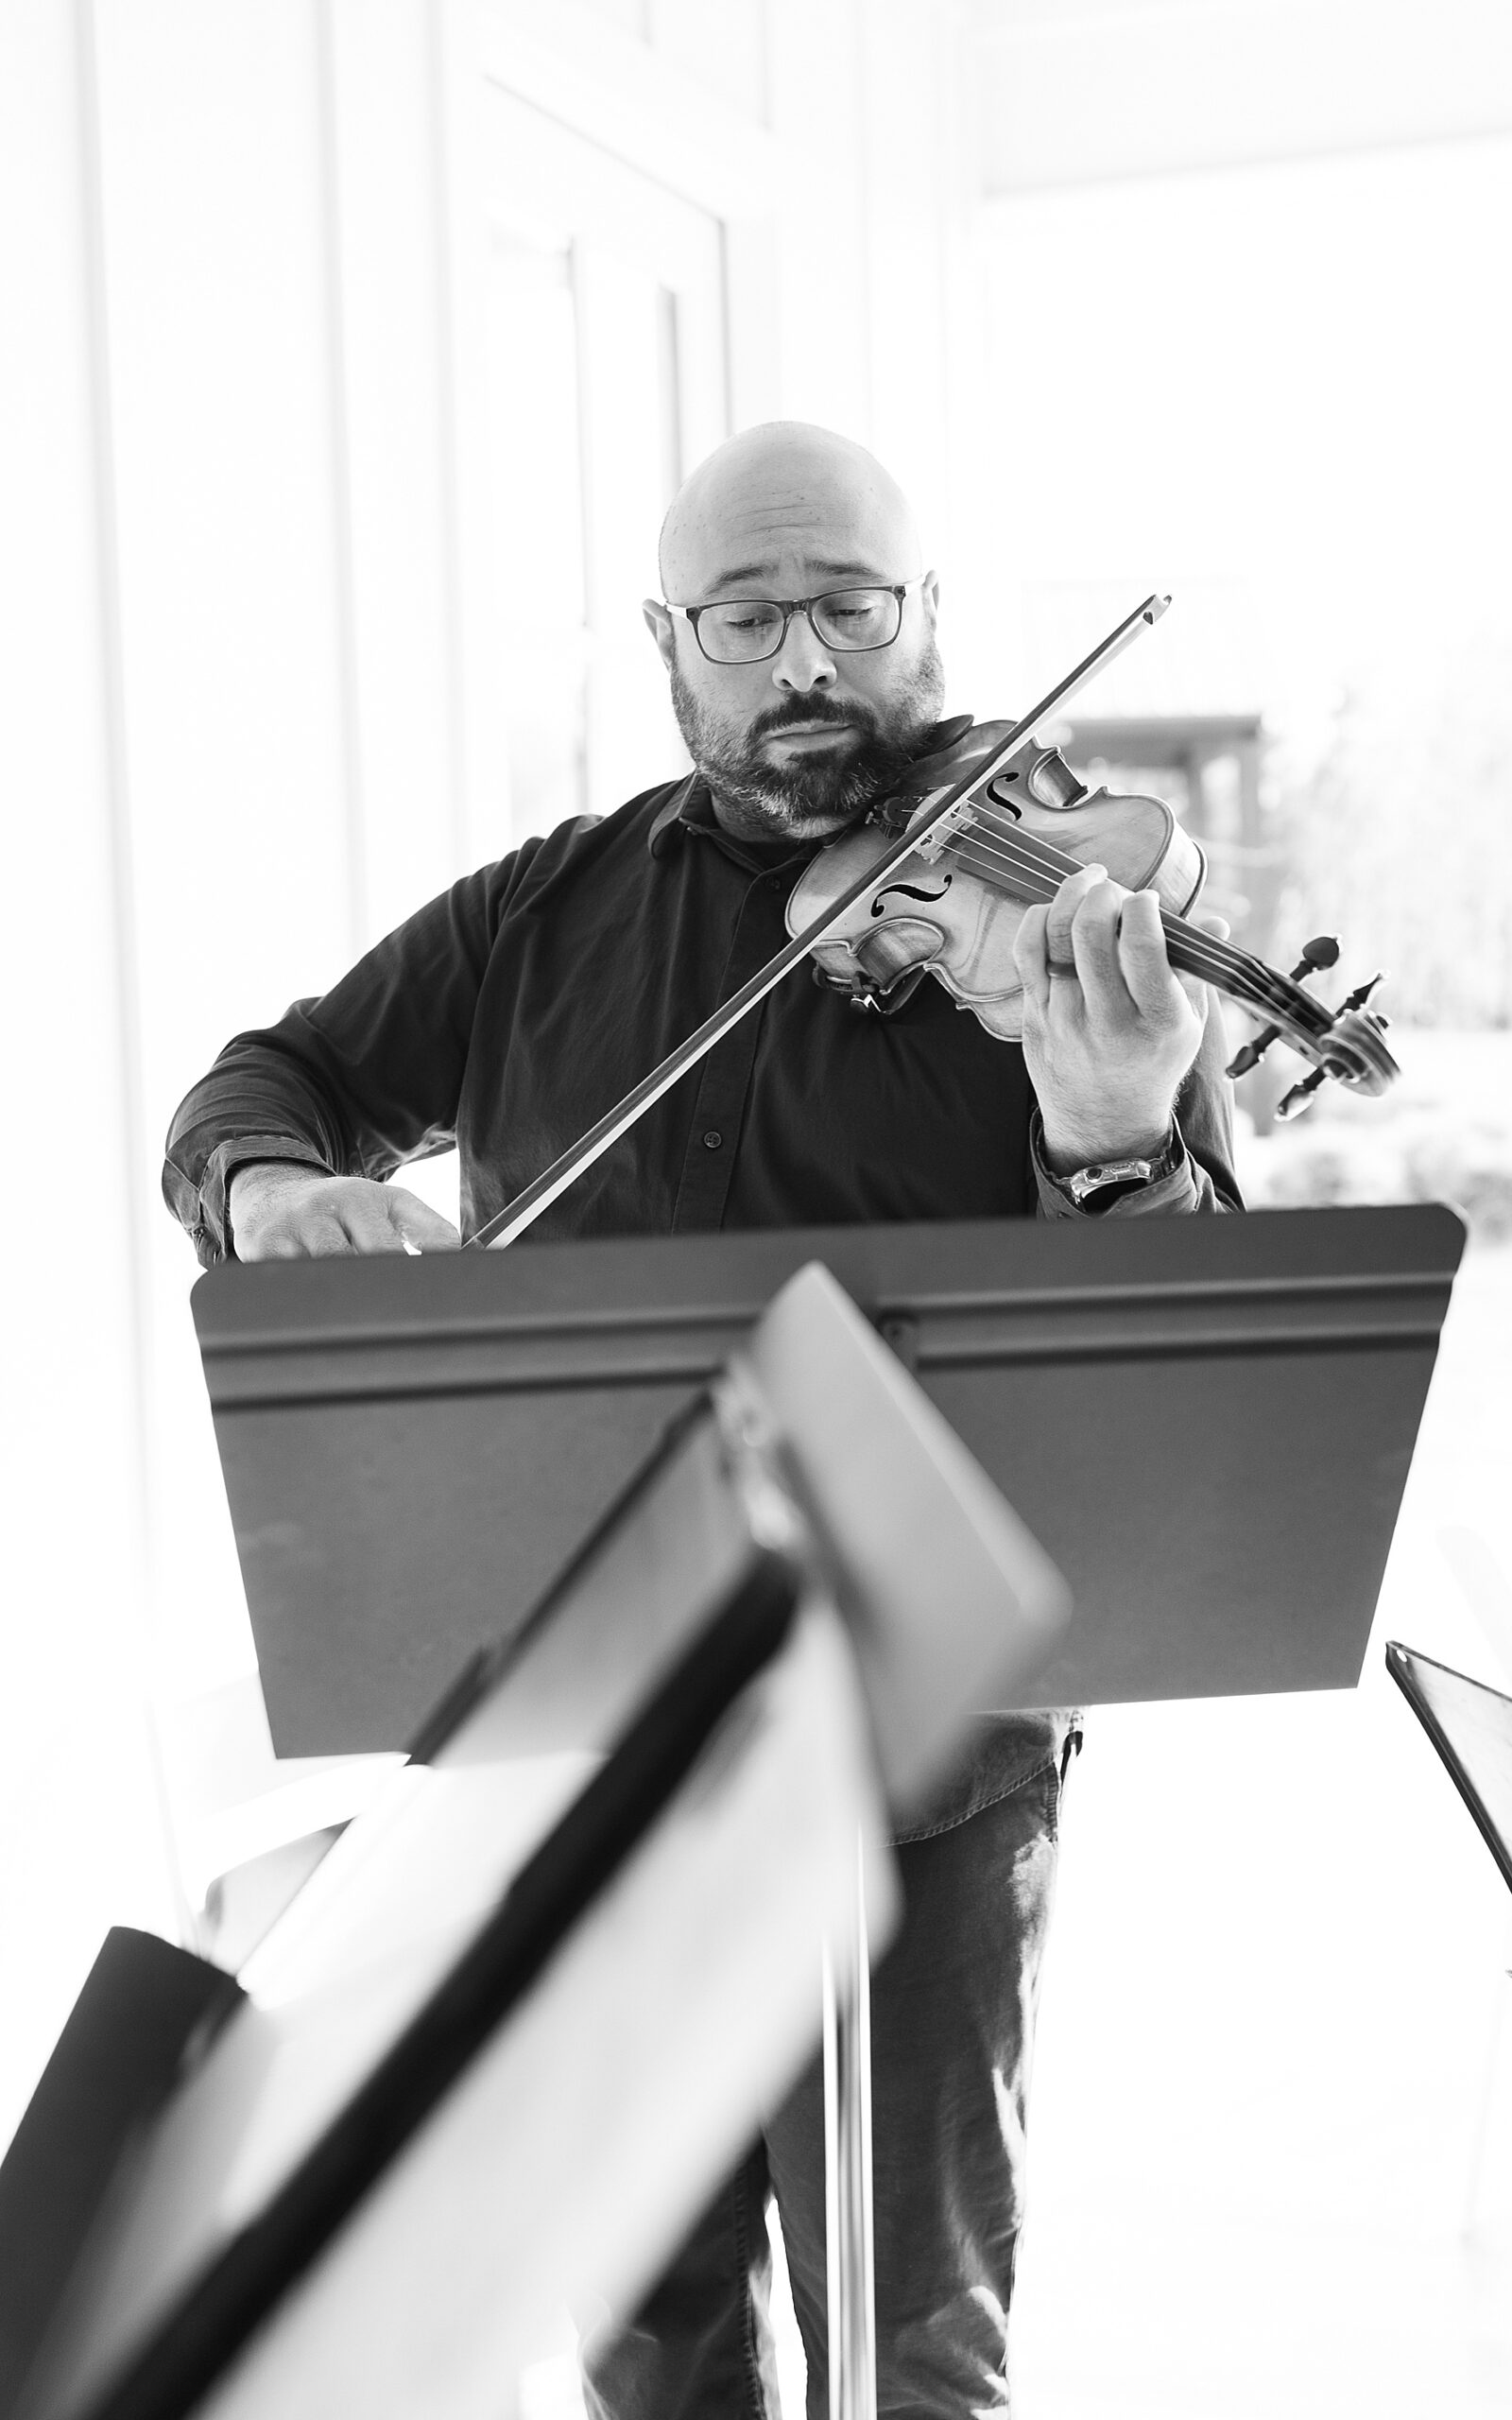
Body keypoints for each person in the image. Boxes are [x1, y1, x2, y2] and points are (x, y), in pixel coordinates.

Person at [164, 421, 1240, 2418]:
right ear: (671, 640)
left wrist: (1110, 1137)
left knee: (915, 2338)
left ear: (923, 616)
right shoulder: (535, 915)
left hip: (930, 1757)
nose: (804, 660)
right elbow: (266, 1081)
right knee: (651, 2328)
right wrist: (263, 1185)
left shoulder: (1043, 905)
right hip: (590, 1731)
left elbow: (1182, 1370)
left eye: (848, 604)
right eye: (746, 615)